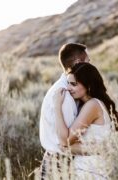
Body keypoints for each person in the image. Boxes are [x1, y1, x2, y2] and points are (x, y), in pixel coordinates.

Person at [53, 62, 118, 179]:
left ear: (88, 86)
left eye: (73, 84)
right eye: (68, 83)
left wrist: (57, 105)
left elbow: (66, 140)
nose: (68, 88)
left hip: (92, 171)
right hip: (90, 170)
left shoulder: (92, 105)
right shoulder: (90, 104)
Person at [38, 43, 90, 179]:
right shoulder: (65, 95)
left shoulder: (67, 88)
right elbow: (67, 140)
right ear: (78, 62)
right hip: (60, 163)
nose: (91, 66)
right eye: (88, 62)